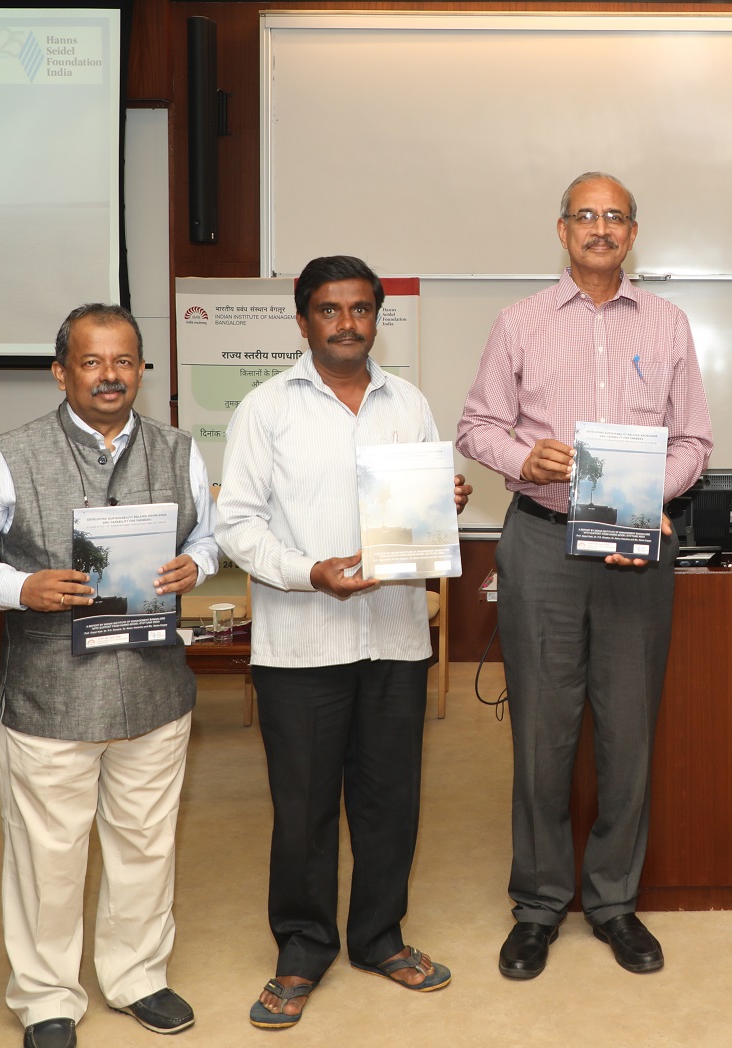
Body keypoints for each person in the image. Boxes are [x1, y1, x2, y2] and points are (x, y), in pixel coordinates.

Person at [0, 304, 219, 1048]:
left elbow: (209, 535)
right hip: (49, 694)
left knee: (146, 845)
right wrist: (17, 587)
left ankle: (137, 977)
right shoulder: (11, 454)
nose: (109, 376)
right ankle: (46, 998)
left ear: (141, 371)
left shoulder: (179, 449)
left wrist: (202, 563)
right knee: (48, 855)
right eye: (91, 362)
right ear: (61, 371)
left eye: (124, 361)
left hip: (154, 689)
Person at [457, 171, 712, 979]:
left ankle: (612, 901)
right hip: (543, 540)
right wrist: (519, 454)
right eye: (586, 216)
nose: (601, 229)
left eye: (616, 218)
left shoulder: (669, 323)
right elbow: (476, 425)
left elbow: (695, 443)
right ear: (562, 229)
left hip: (636, 546)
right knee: (542, 731)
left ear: (634, 233)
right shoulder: (520, 322)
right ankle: (537, 905)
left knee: (629, 731)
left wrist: (646, 489)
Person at [215, 255, 471, 1029]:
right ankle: (301, 949)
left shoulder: (409, 404)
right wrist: (308, 572)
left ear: (375, 317)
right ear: (302, 321)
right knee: (303, 807)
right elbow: (237, 524)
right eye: (330, 310)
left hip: (393, 637)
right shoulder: (265, 409)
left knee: (391, 801)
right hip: (302, 642)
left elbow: (425, 517)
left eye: (361, 309)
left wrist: (444, 500)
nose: (347, 323)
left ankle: (380, 937)